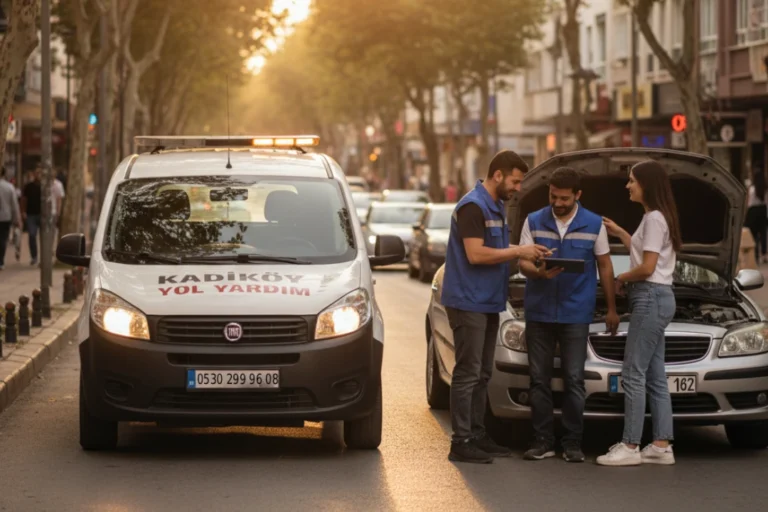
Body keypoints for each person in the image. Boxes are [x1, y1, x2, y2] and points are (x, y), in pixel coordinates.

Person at [441, 150, 551, 464]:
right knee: (467, 373)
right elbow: (476, 254)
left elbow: (497, 254)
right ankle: (461, 441)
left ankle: (477, 434)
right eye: (515, 181)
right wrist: (519, 250)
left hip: (488, 301)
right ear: (498, 175)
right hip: (468, 301)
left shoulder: (497, 206)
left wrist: (527, 258)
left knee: (483, 374)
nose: (518, 188)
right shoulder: (473, 206)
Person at [518, 167, 620, 463]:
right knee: (539, 379)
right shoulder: (534, 220)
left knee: (574, 379)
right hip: (539, 311)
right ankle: (542, 441)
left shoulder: (593, 223)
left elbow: (605, 265)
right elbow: (522, 262)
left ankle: (573, 442)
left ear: (578, 195)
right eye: (553, 196)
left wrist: (611, 308)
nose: (557, 203)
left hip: (577, 312)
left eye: (564, 198)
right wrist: (538, 272)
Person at [598, 160, 682, 466]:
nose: (627, 185)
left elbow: (647, 268)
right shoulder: (655, 218)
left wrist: (621, 278)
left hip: (650, 297)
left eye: (632, 180)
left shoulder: (655, 219)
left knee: (633, 372)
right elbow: (641, 250)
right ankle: (661, 445)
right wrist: (619, 230)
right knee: (656, 375)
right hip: (658, 297)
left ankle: (630, 445)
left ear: (646, 184)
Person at [0, 166, 22, 270]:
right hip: (5, 217)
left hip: (6, 216)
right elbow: (14, 205)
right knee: (3, 239)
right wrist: (17, 219)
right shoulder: (9, 187)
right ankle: (0, 261)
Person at [21, 167, 42, 265]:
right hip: (31, 214)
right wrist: (23, 212)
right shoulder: (28, 186)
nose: (38, 175)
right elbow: (24, 199)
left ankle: (43, 258)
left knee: (45, 237)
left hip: (43, 215)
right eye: (37, 173)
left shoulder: (45, 187)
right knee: (32, 236)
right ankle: (34, 256)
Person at [745, 170, 767, 264]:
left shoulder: (752, 188)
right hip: (763, 210)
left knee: (753, 234)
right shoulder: (765, 189)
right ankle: (764, 254)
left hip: (753, 211)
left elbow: (749, 203)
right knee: (763, 233)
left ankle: (756, 256)